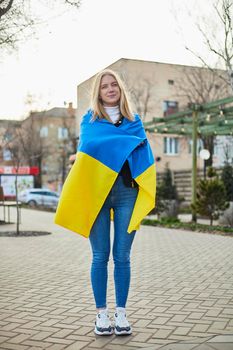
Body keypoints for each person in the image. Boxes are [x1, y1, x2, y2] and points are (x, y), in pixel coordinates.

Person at [55, 69, 156, 336]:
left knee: (122, 256)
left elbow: (143, 154)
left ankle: (121, 313)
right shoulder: (90, 121)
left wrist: (128, 146)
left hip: (126, 192)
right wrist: (123, 145)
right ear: (98, 93)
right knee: (100, 256)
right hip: (96, 194)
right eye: (104, 87)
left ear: (120, 89)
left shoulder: (134, 121)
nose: (110, 89)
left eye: (114, 85)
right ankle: (101, 315)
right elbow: (88, 155)